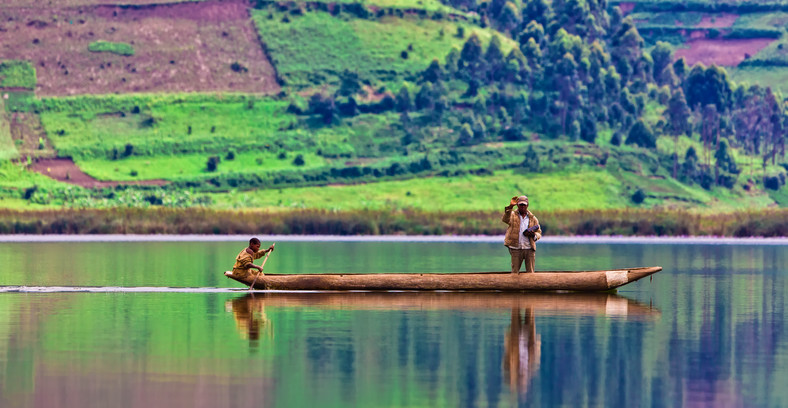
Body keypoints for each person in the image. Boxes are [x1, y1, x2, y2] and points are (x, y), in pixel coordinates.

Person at [502, 195, 542, 273]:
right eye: (521, 205)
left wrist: (533, 235)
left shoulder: (533, 218)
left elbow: (539, 233)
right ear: (517, 205)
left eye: (524, 205)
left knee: (531, 273)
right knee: (514, 272)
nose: (522, 207)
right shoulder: (512, 215)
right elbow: (505, 219)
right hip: (516, 249)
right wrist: (510, 207)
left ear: (527, 205)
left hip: (529, 248)